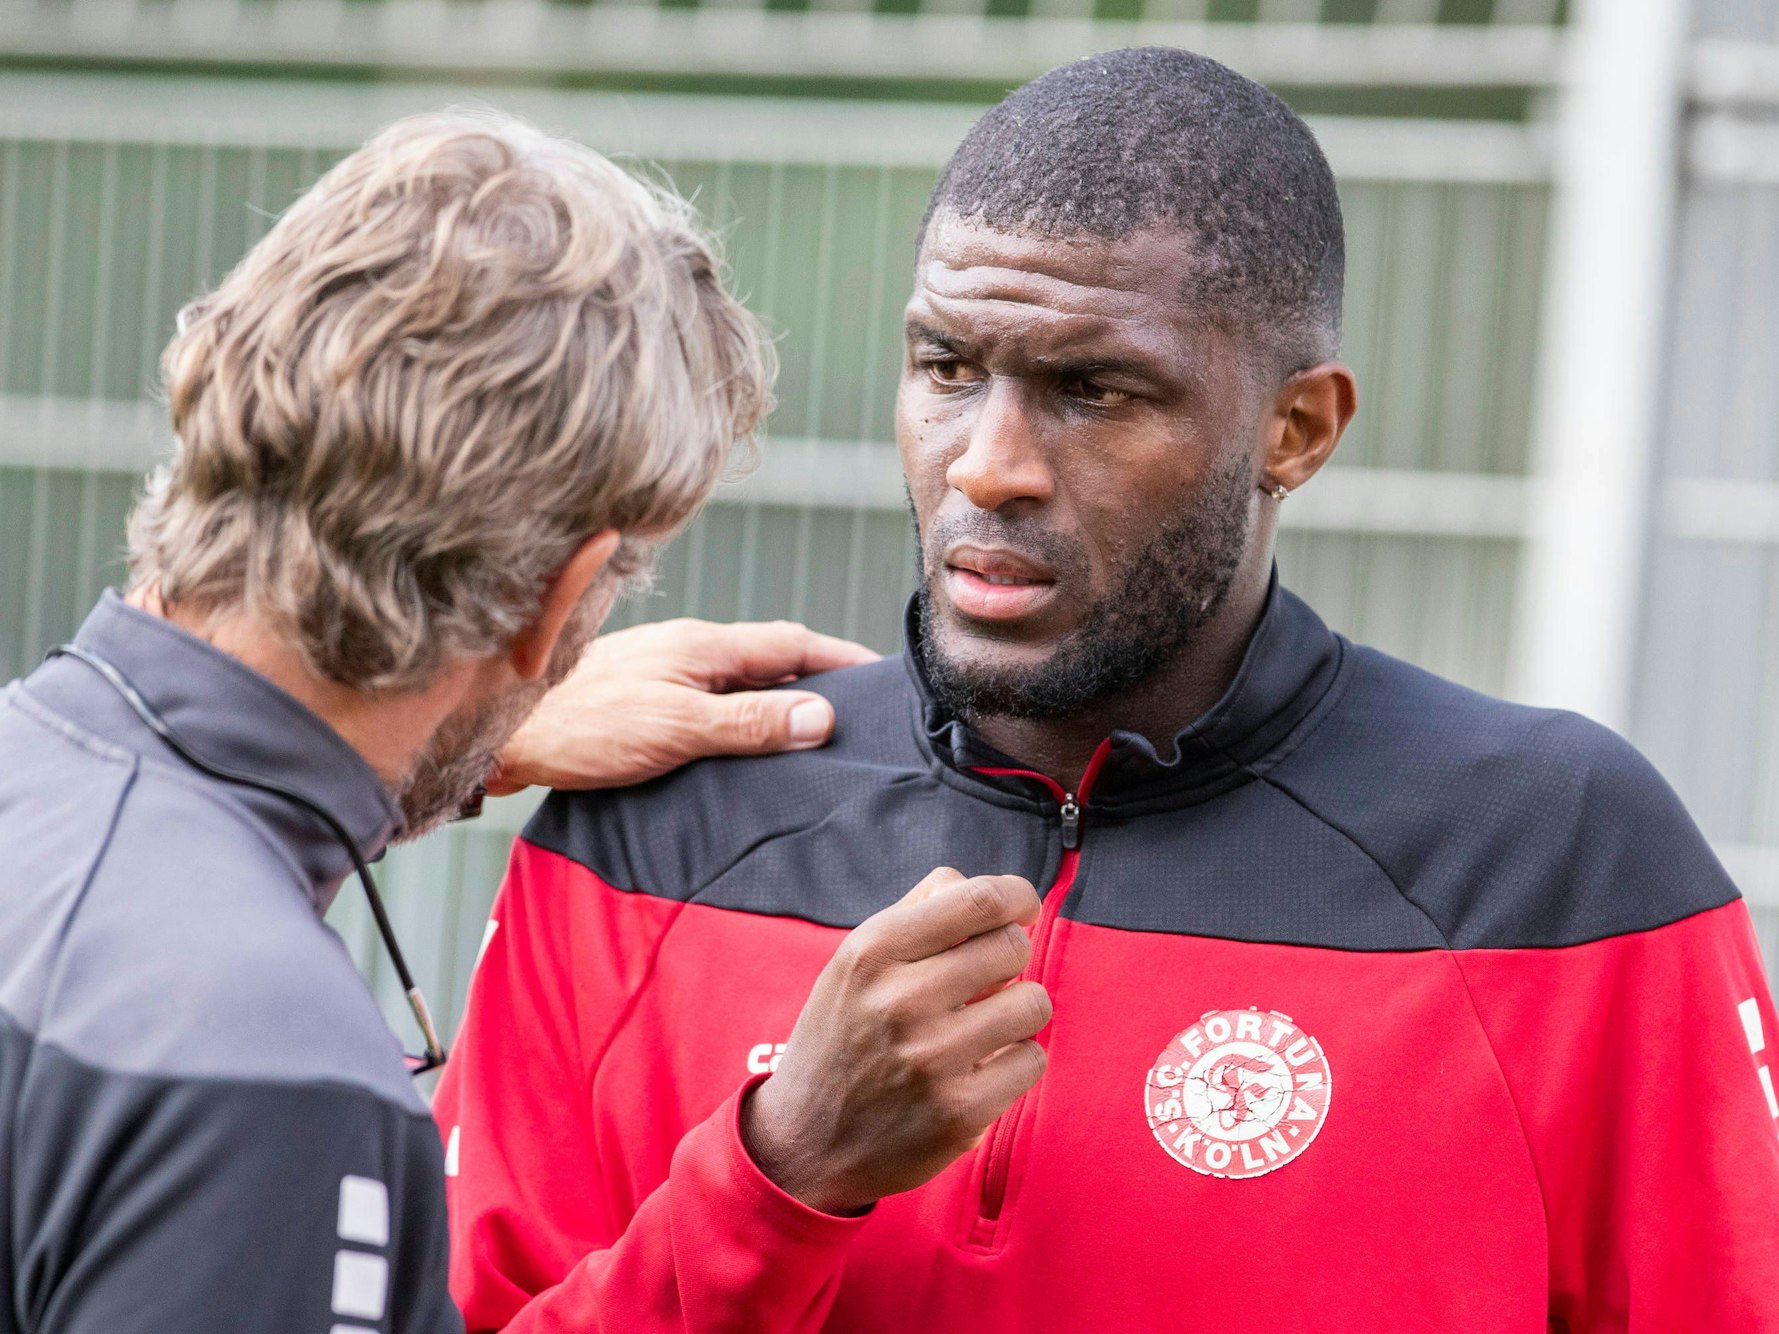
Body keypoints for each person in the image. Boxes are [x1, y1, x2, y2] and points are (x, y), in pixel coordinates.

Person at [436, 47, 1779, 1332]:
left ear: (1294, 430)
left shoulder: (1552, 859)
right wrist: (781, 1171)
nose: (988, 465)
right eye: (946, 368)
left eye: (1093, 389)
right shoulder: (659, 823)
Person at [0, 110, 881, 1332]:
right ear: (561, 599)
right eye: (615, 582)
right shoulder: (269, 1067)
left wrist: (481, 750)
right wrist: (776, 1182)